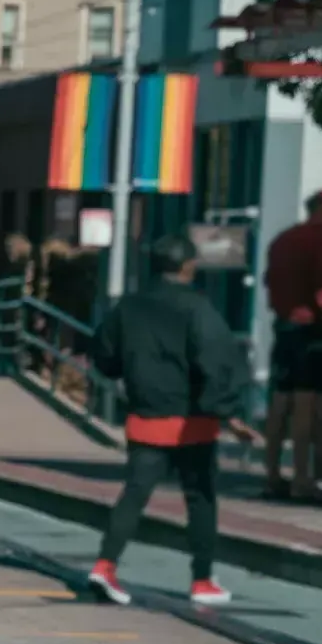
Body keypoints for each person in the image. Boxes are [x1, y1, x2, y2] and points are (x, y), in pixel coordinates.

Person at [87, 234, 257, 607]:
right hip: (192, 420)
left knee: (133, 495)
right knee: (200, 499)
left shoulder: (128, 308)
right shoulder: (199, 308)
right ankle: (201, 579)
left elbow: (104, 355)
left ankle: (105, 564)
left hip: (146, 417)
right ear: (188, 266)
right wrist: (228, 413)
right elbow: (217, 361)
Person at [262, 188, 322, 501]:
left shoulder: (284, 240)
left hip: (285, 329)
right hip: (315, 334)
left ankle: (272, 475)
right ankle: (305, 480)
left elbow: (270, 282)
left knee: (280, 404)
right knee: (310, 409)